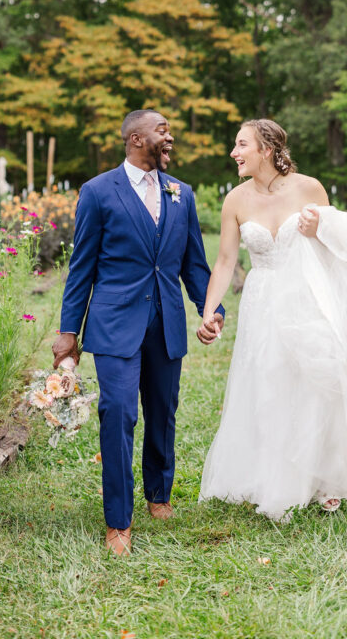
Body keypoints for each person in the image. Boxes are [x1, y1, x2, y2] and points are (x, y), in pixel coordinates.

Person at [199, 118, 347, 520]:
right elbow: (226, 261)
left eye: (241, 144)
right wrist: (210, 310)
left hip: (308, 296)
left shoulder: (310, 188)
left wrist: (320, 229)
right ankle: (272, 476)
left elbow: (338, 244)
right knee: (268, 382)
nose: (234, 152)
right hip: (262, 301)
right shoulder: (236, 200)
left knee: (317, 383)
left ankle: (326, 481)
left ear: (266, 149)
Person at [52, 110, 224, 555]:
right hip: (113, 324)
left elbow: (194, 266)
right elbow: (81, 267)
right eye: (162, 131)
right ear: (135, 138)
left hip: (166, 322)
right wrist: (69, 329)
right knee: (119, 414)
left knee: (163, 411)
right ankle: (118, 520)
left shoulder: (181, 193)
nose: (170, 137)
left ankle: (158, 494)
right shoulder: (97, 191)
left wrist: (212, 309)